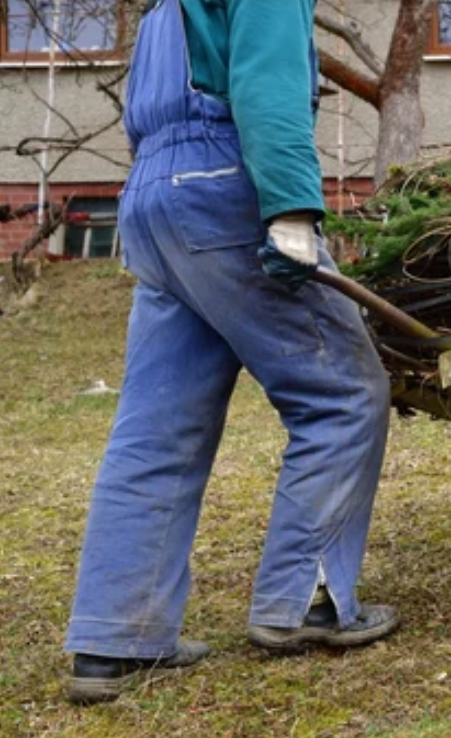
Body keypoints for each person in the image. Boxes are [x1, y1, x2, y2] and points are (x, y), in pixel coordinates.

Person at [64, 0, 396, 705]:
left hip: (153, 200)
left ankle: (112, 636)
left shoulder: (162, 9)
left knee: (156, 427)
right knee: (342, 391)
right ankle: (302, 602)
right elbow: (265, 84)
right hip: (224, 186)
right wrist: (289, 210)